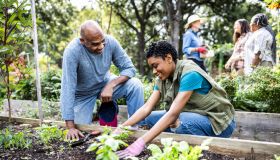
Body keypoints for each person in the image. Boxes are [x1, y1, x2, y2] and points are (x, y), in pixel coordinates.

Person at [116, 41, 236, 158]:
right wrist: (120, 129)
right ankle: (178, 132)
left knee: (180, 121)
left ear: (168, 58)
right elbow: (147, 108)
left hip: (218, 123)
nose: (154, 71)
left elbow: (173, 114)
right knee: (148, 119)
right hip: (194, 115)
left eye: (155, 65)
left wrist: (140, 143)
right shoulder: (162, 78)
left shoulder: (190, 73)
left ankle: (204, 151)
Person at [60, 20, 144, 140]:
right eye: (95, 44)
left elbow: (129, 68)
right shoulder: (72, 51)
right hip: (83, 94)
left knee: (135, 85)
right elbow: (68, 88)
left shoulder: (111, 42)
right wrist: (70, 126)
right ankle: (100, 111)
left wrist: (111, 85)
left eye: (102, 42)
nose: (101, 47)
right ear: (83, 41)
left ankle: (135, 127)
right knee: (80, 131)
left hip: (106, 83)